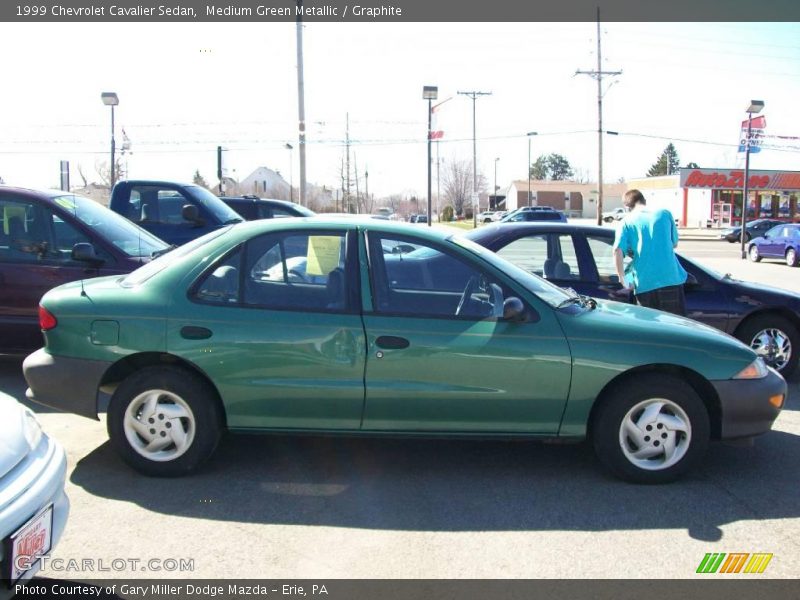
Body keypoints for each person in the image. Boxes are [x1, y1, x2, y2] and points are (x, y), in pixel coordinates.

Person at [613, 189, 688, 316]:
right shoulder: (664, 214)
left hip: (644, 284)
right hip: (671, 280)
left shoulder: (626, 222)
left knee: (649, 331)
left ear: (626, 206)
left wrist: (622, 277)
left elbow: (617, 250)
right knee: (675, 329)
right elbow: (674, 243)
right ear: (644, 201)